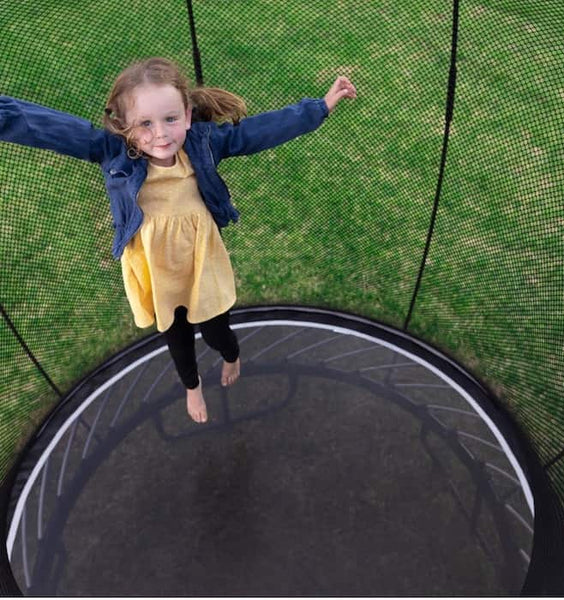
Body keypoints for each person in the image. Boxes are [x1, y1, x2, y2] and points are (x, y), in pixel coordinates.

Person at [0, 57, 357, 423]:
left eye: (170, 119)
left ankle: (231, 356)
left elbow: (257, 132)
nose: (160, 134)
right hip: (157, 270)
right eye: (145, 124)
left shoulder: (202, 144)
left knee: (218, 332)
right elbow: (48, 128)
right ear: (124, 127)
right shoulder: (114, 152)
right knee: (177, 339)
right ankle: (192, 386)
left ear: (187, 114)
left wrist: (320, 107)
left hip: (201, 261)